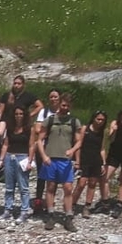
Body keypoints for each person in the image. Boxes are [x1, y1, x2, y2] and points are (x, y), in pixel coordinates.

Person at [35, 92, 81, 231]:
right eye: (62, 105)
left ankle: (68, 216)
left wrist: (72, 150)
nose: (64, 107)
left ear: (70, 106)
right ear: (59, 104)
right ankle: (51, 215)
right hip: (51, 158)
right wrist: (44, 156)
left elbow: (79, 141)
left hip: (65, 160)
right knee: (50, 187)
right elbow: (39, 140)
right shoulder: (50, 120)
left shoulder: (74, 121)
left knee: (67, 188)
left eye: (67, 105)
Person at [0, 104, 34, 224]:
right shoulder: (10, 128)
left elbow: (31, 146)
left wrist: (30, 161)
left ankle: (24, 210)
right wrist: (1, 159)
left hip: (22, 157)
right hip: (10, 156)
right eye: (16, 114)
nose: (18, 116)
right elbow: (5, 144)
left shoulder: (29, 129)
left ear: (24, 115)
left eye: (21, 114)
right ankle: (8, 210)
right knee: (9, 187)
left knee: (23, 186)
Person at [73, 110, 108, 216]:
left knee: (92, 183)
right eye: (98, 119)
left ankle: (87, 206)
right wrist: (77, 161)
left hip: (96, 160)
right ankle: (72, 204)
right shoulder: (85, 129)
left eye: (102, 120)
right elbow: (79, 144)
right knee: (81, 183)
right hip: (84, 159)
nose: (100, 122)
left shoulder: (102, 132)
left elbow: (102, 148)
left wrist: (103, 163)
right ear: (93, 118)